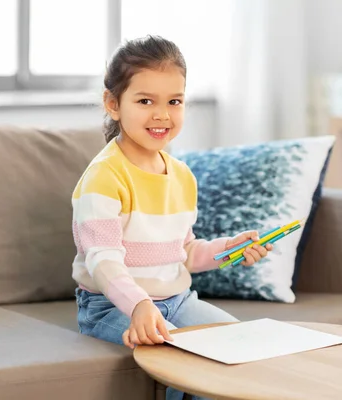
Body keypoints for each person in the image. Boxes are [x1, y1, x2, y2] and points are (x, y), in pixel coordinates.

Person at [71, 35, 272, 400]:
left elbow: (185, 250)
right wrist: (139, 306)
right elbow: (102, 259)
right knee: (186, 364)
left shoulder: (181, 175)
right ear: (113, 104)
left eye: (174, 101)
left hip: (178, 300)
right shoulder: (103, 177)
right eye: (145, 101)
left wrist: (229, 248)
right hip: (111, 306)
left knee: (247, 351)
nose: (162, 114)